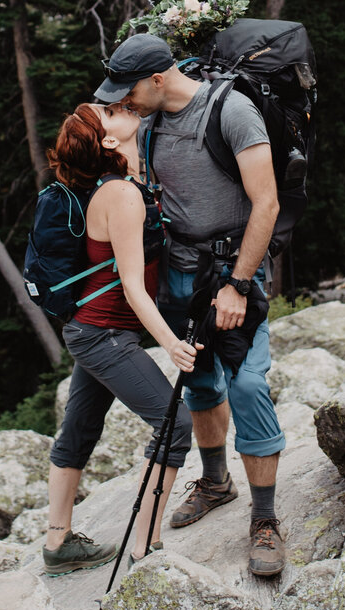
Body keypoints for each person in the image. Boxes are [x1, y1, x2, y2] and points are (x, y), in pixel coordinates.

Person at [94, 33, 286, 578]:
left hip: (232, 272)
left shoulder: (232, 110)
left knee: (247, 383)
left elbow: (266, 202)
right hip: (180, 274)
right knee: (197, 378)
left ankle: (266, 520)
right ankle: (217, 482)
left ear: (158, 78)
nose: (122, 101)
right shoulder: (149, 123)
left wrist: (240, 284)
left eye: (127, 90)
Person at [43, 100, 198, 576]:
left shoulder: (128, 184)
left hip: (94, 329)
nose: (122, 106)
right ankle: (145, 551)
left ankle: (58, 543)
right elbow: (132, 286)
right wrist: (171, 343)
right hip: (102, 333)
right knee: (175, 426)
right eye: (109, 111)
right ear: (109, 141)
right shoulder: (121, 195)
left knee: (79, 429)